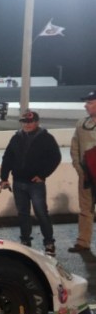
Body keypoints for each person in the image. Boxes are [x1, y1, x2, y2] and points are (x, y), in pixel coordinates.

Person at [0, 110, 61, 255]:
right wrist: (4, 178)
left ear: (37, 122)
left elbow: (55, 157)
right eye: (24, 122)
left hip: (35, 184)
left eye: (30, 122)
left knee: (41, 213)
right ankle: (25, 241)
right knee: (23, 214)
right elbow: (7, 158)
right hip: (18, 182)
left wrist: (42, 175)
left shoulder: (46, 138)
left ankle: (49, 243)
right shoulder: (16, 137)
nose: (27, 125)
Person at [68, 90, 96, 253]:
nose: (86, 106)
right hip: (86, 176)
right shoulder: (81, 123)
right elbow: (75, 148)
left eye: (90, 103)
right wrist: (80, 170)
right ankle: (83, 242)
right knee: (86, 209)